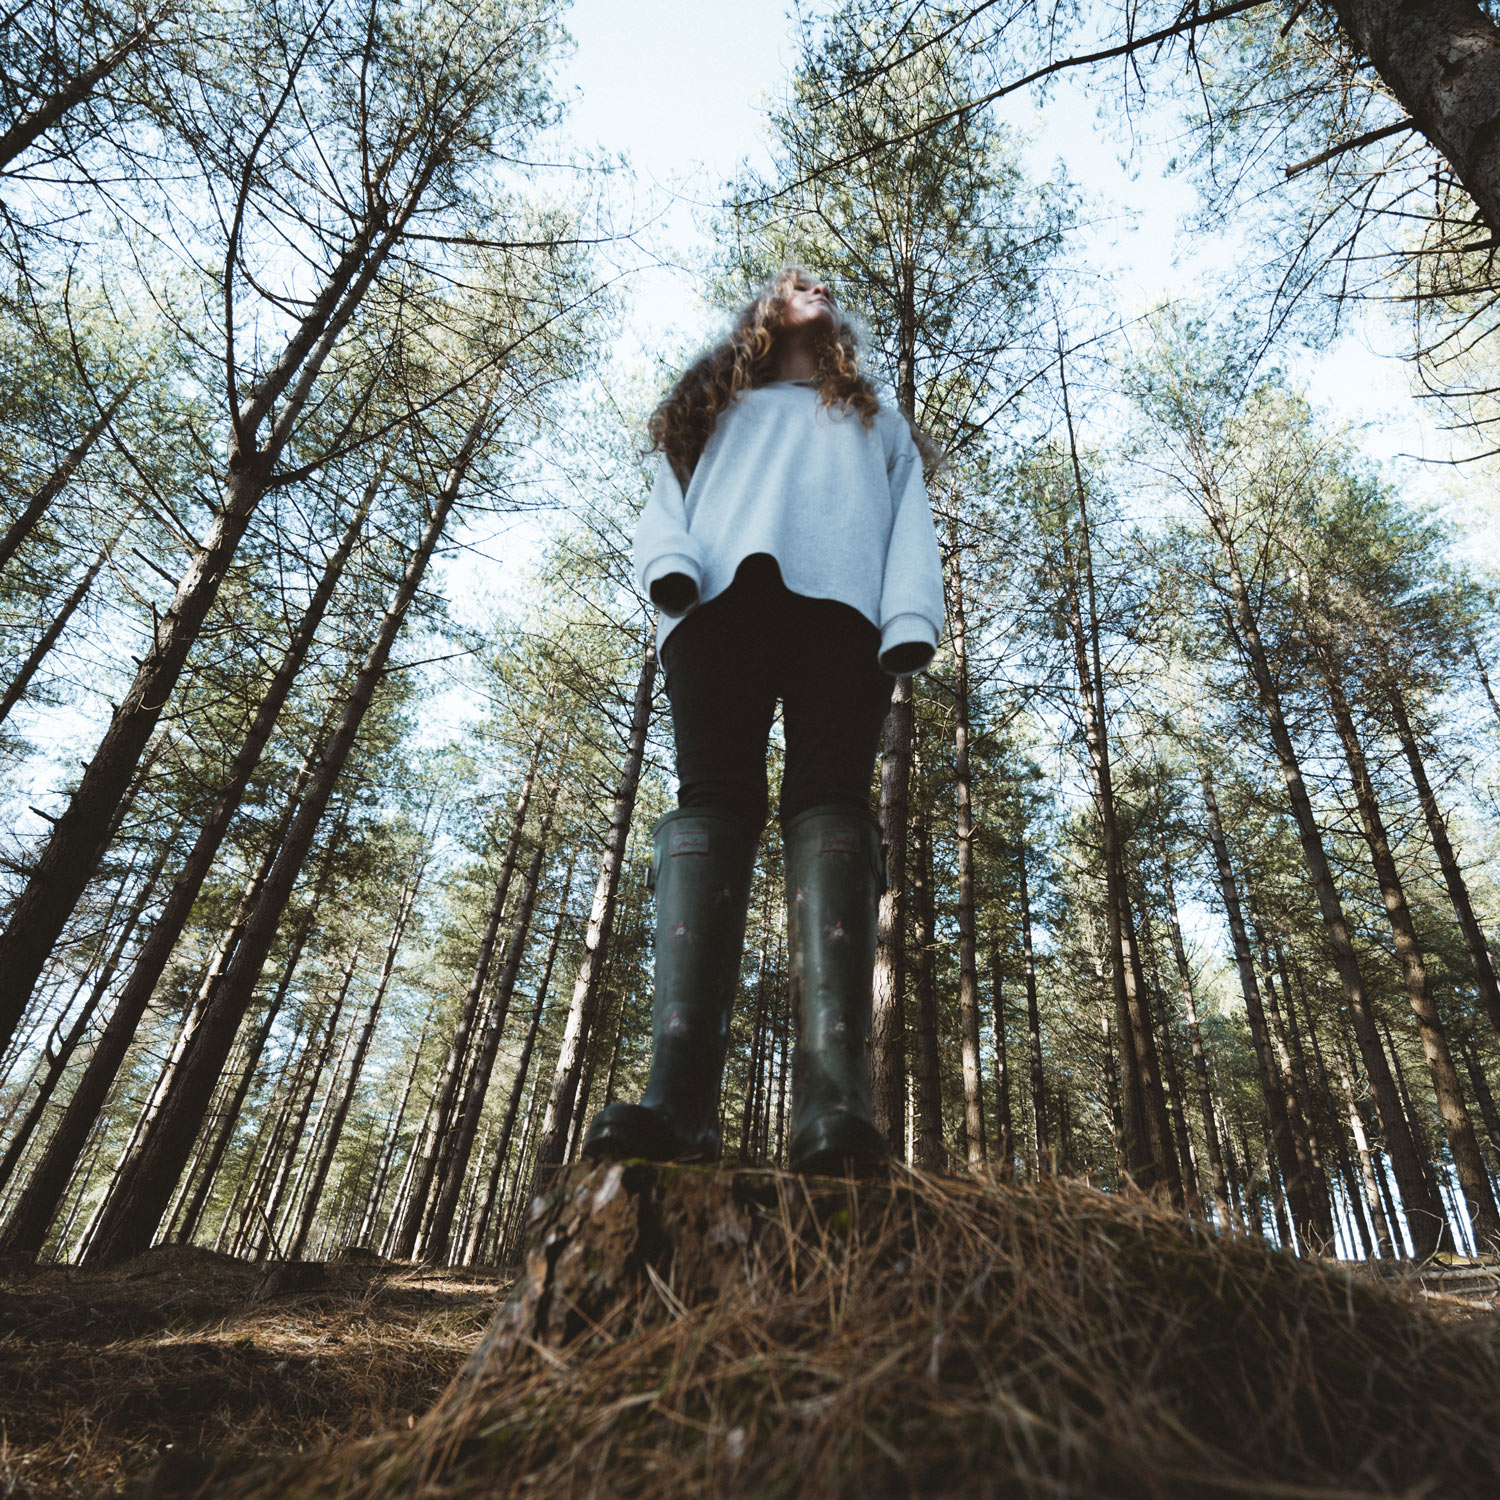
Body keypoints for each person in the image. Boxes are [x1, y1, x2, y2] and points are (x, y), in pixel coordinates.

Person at [582, 267, 945, 1175]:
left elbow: (913, 521)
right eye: (791, 281)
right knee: (712, 801)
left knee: (830, 802)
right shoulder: (714, 404)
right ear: (760, 313)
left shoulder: (873, 416)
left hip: (845, 611)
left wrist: (910, 621)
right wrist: (671, 574)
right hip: (714, 605)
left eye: (822, 282)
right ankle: (680, 1104)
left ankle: (833, 1105)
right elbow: (664, 507)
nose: (811, 284)